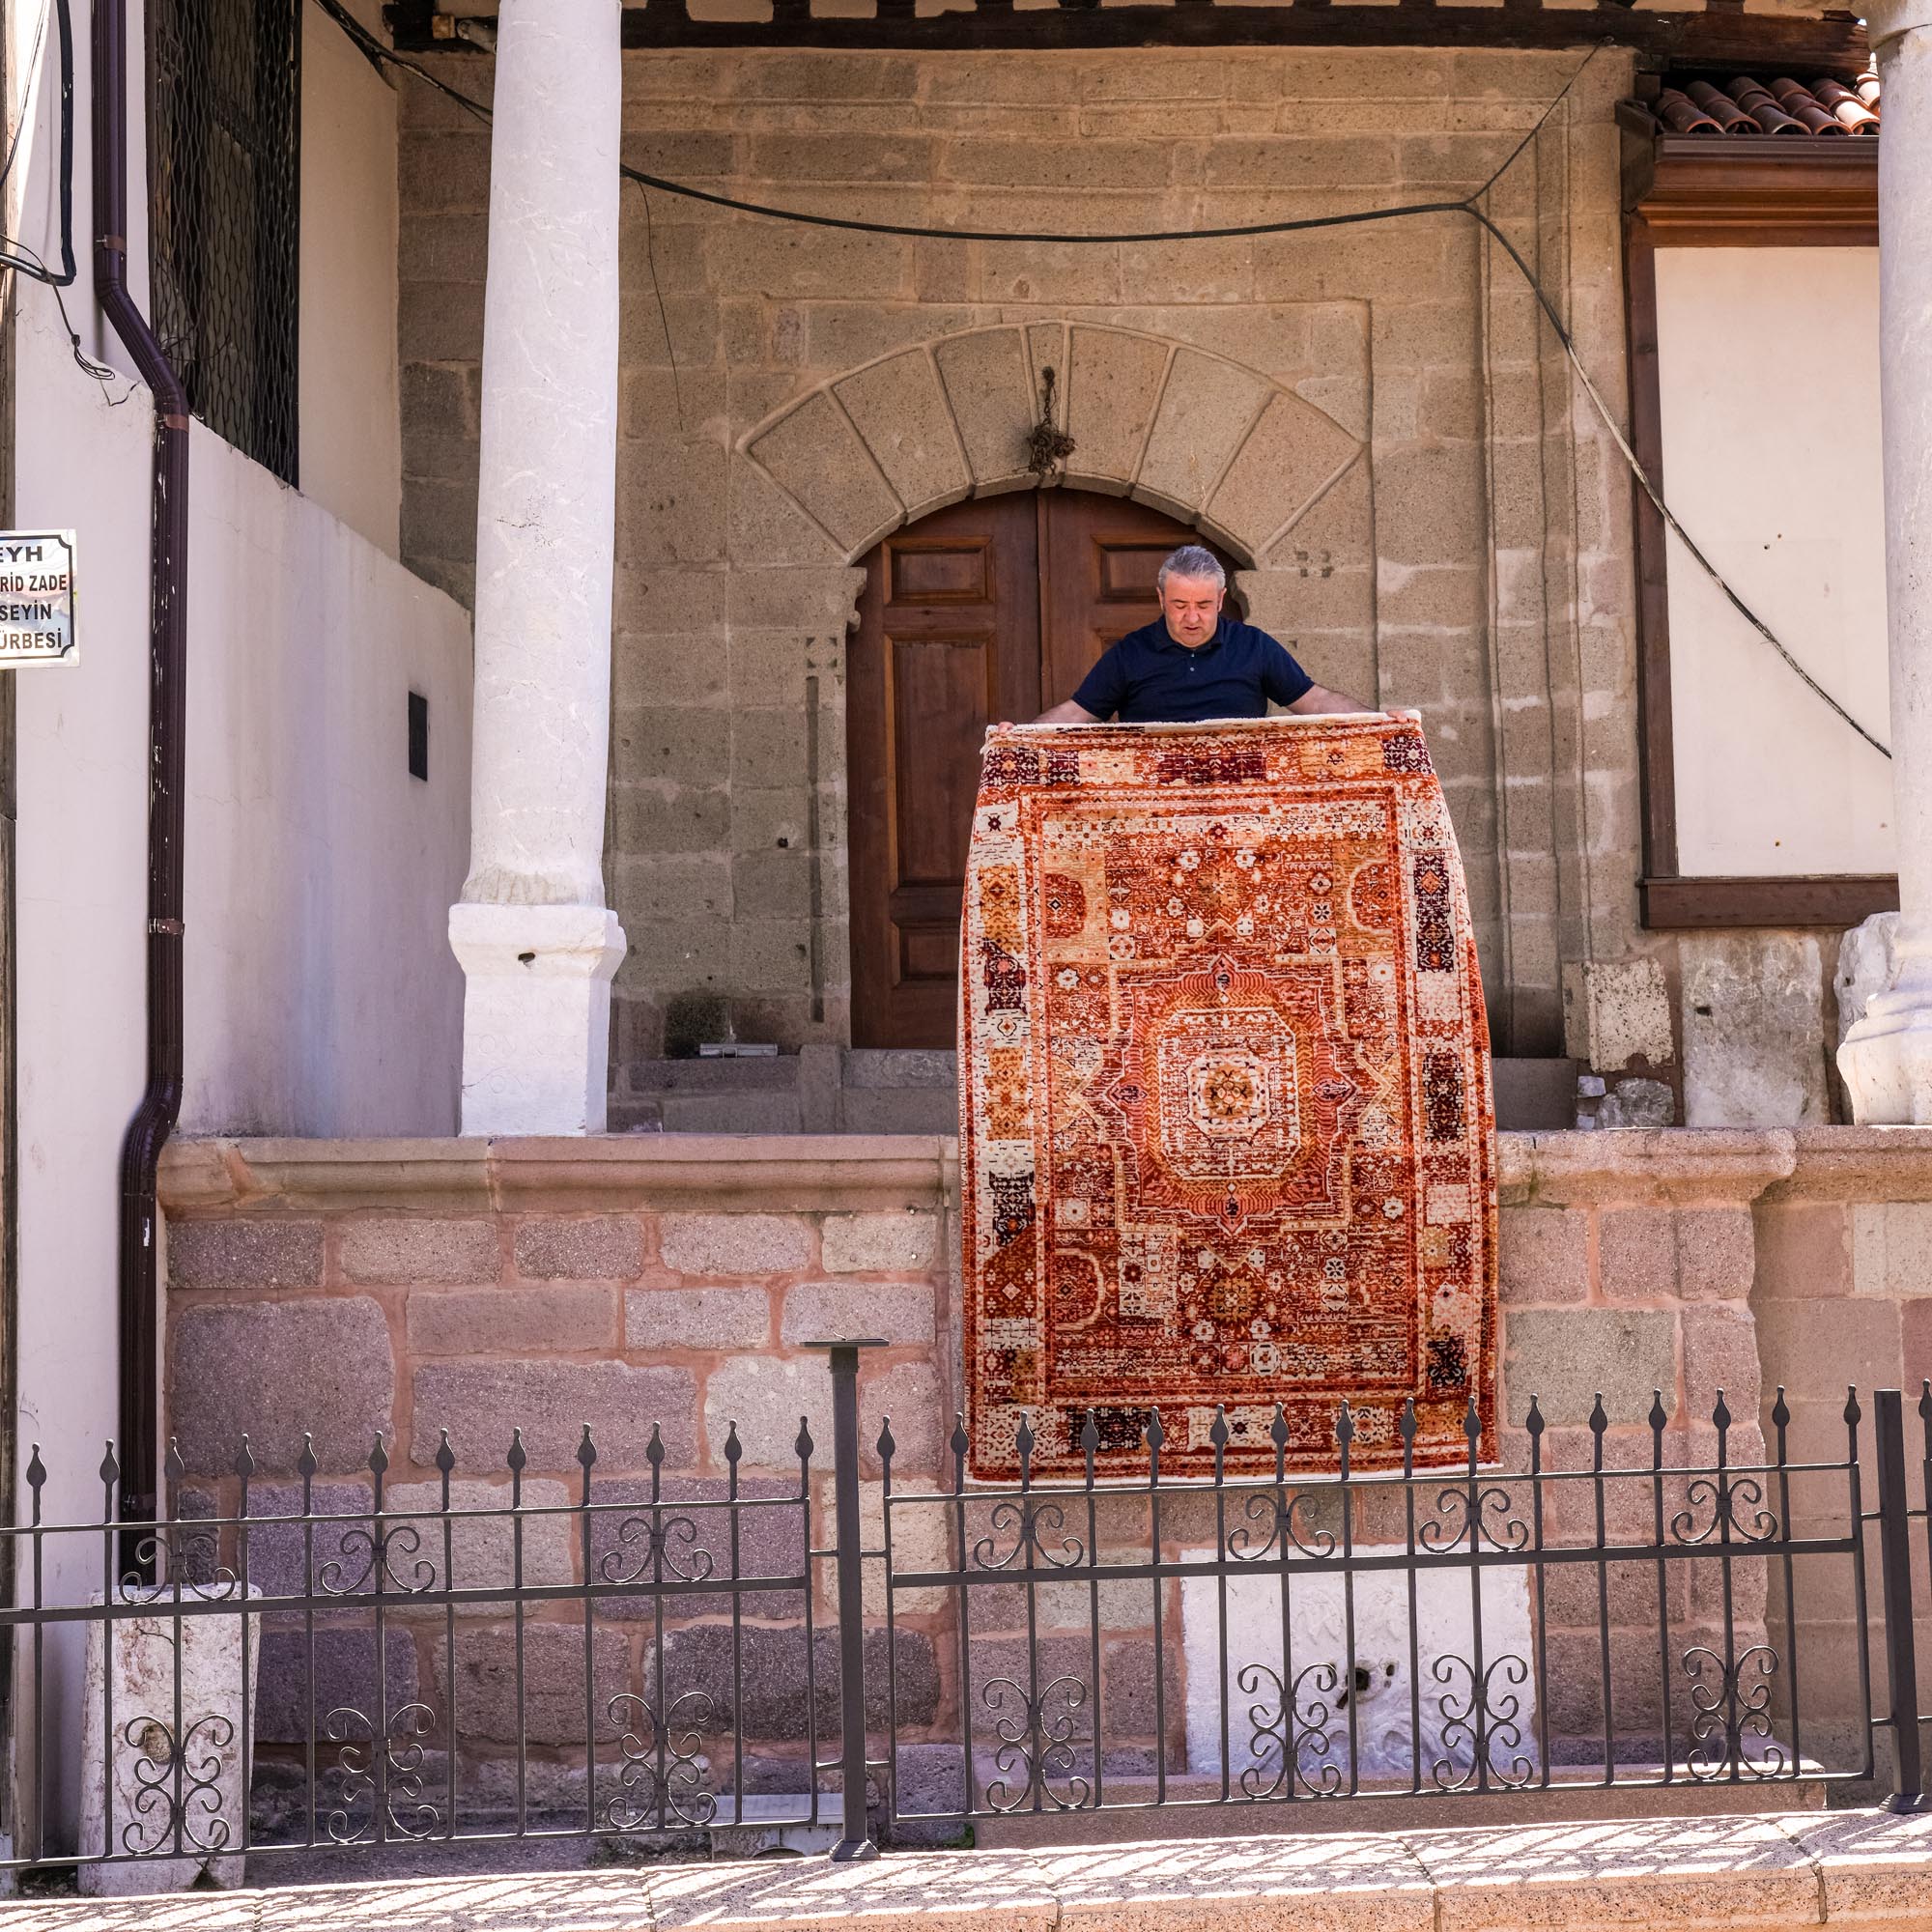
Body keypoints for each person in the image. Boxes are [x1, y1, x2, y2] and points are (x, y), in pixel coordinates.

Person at [1027, 544, 1369, 724]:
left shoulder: (1254, 646)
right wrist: (1017, 738)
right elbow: (1077, 714)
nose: (1192, 617)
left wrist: (1382, 722)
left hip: (1240, 810)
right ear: (1161, 599)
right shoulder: (1131, 652)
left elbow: (1316, 701)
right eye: (1179, 604)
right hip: (1153, 816)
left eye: (1204, 604)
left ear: (1221, 600)